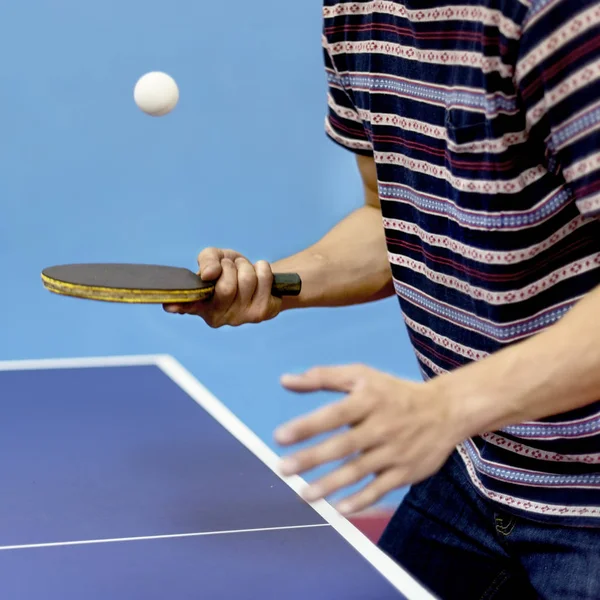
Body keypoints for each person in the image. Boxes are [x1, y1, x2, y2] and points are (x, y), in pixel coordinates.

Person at [165, 0, 600, 597]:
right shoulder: (353, 13)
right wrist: (270, 283)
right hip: (477, 466)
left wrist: (446, 406)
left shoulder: (548, 18)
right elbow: (388, 218)